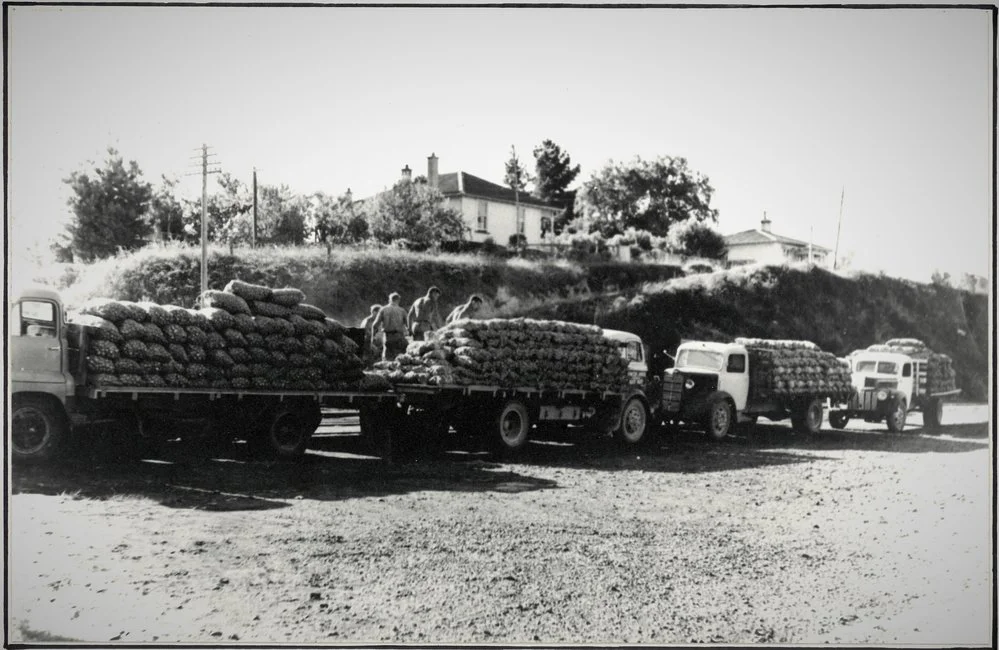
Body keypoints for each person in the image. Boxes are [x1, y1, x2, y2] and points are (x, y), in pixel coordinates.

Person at [371, 292, 409, 360]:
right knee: (401, 359)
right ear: (398, 300)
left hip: (388, 337)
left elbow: (375, 325)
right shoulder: (402, 310)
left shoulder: (383, 309)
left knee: (388, 360)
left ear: (390, 300)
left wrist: (373, 336)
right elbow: (408, 325)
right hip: (399, 337)